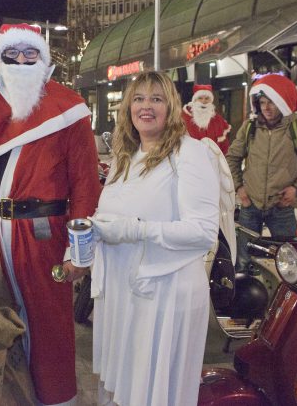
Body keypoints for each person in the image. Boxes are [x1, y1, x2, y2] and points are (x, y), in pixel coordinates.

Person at [0, 23, 101, 405]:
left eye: (30, 53)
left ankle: (55, 398)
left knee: (48, 325)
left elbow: (85, 185)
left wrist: (79, 249)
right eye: (12, 54)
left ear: (43, 57)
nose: (21, 61)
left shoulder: (67, 109)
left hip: (44, 235)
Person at [90, 71, 219, 406]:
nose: (146, 107)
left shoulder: (190, 154)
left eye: (156, 99)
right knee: (125, 391)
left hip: (165, 296)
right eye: (138, 98)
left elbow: (203, 231)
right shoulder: (125, 157)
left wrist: (135, 229)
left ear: (172, 107)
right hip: (124, 296)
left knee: (155, 393)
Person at [226, 74, 297, 272]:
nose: (267, 107)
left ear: (282, 102)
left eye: (272, 102)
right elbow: (232, 158)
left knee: (289, 261)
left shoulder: (296, 128)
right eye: (262, 102)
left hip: (282, 206)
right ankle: (244, 297)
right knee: (242, 261)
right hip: (250, 204)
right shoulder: (250, 127)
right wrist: (239, 187)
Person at [181, 84, 231, 154]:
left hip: (212, 161)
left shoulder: (218, 120)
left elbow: (224, 145)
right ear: (195, 100)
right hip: (189, 159)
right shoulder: (183, 118)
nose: (204, 101)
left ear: (211, 100)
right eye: (200, 98)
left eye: (207, 98)